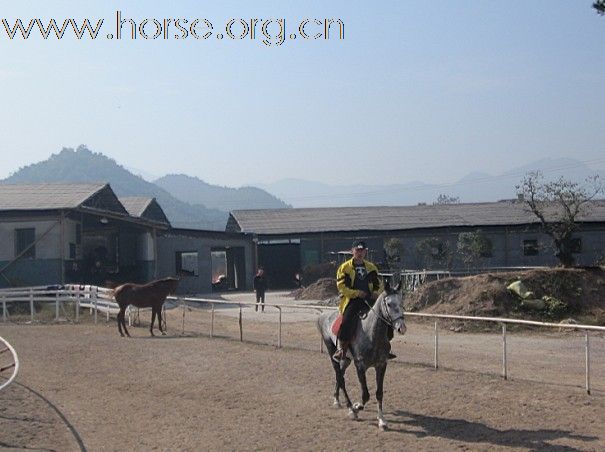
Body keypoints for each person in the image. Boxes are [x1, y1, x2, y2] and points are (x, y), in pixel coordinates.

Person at [333, 240, 397, 362]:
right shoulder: (344, 268)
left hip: (369, 299)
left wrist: (375, 292)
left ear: (365, 252)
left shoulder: (371, 267)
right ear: (352, 251)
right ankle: (342, 350)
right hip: (352, 300)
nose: (360, 253)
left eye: (362, 251)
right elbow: (341, 287)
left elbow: (378, 284)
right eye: (357, 250)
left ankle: (386, 347)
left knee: (386, 318)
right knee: (346, 321)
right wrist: (356, 293)